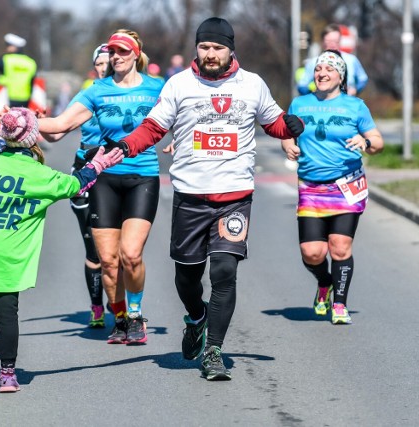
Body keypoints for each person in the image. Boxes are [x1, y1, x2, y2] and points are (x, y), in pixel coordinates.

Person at [89, 17, 305, 380]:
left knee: (224, 271)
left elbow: (273, 121)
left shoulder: (251, 84)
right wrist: (126, 145)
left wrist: (289, 126)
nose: (210, 54)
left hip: (235, 197)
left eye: (217, 48)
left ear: (230, 49)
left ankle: (214, 351)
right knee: (187, 278)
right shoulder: (180, 84)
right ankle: (196, 317)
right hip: (190, 196)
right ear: (197, 48)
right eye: (204, 47)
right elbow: (154, 127)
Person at [0, 108, 123, 396]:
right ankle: (6, 374)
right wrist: (98, 165)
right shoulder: (38, 174)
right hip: (10, 254)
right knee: (7, 314)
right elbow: (75, 185)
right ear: (31, 139)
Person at [22, 29, 165, 345]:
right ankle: (120, 317)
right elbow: (60, 126)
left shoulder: (158, 87)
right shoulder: (97, 91)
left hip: (142, 176)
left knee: (131, 255)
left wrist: (181, 143)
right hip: (104, 180)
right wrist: (22, 121)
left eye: (122, 51)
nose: (115, 56)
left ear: (136, 55)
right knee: (109, 262)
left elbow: (182, 117)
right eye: (112, 51)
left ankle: (137, 314)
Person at [282, 50, 383, 325]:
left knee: (340, 247)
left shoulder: (355, 106)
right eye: (318, 69)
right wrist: (289, 146)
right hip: (311, 187)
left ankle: (339, 303)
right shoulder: (299, 104)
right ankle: (324, 283)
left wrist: (366, 143)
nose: (322, 73)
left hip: (347, 184)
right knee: (312, 252)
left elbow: (376, 139)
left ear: (340, 75)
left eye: (329, 69)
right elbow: (286, 134)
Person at [41, 43, 110, 328]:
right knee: (93, 248)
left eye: (112, 61)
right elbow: (58, 133)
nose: (107, 66)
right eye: (102, 63)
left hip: (118, 173)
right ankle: (97, 306)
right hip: (85, 172)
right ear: (96, 66)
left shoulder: (131, 94)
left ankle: (127, 310)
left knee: (118, 251)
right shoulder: (88, 94)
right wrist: (36, 123)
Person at [297, 24, 368, 96]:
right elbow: (302, 85)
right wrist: (313, 94)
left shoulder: (351, 60)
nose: (332, 44)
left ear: (340, 41)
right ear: (322, 42)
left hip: (347, 103)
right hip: (323, 104)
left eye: (335, 41)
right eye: (329, 41)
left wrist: (355, 89)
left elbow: (363, 79)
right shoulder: (313, 62)